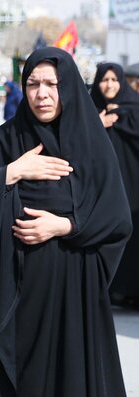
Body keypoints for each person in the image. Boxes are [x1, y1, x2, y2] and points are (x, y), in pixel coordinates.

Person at [0, 47, 131, 397]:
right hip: (13, 296)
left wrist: (65, 225)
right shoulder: (5, 140)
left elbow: (116, 216)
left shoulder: (91, 143)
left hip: (72, 294)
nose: (42, 93)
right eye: (33, 83)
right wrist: (11, 173)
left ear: (67, 87)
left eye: (52, 83)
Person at [91, 62, 139, 307]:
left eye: (114, 80)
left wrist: (122, 119)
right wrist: (97, 124)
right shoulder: (88, 113)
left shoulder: (134, 108)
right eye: (104, 80)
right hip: (102, 191)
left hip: (133, 190)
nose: (109, 85)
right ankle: (108, 291)